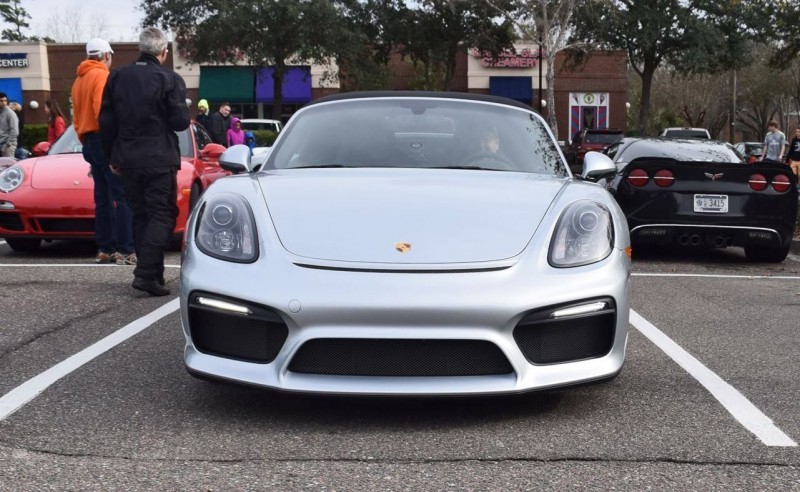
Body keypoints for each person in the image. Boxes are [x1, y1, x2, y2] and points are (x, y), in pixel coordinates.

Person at [100, 27, 190, 297]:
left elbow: (106, 122)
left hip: (127, 158)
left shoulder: (117, 77)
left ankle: (154, 275)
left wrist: (111, 156)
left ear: (140, 49)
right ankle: (145, 274)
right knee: (162, 215)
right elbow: (180, 121)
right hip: (159, 158)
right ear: (163, 52)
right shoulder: (169, 79)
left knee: (141, 216)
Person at [72, 37, 136, 265]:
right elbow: (104, 113)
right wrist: (115, 144)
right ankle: (126, 249)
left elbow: (77, 118)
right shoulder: (101, 76)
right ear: (106, 55)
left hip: (88, 140)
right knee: (122, 196)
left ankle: (105, 248)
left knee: (103, 198)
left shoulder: (79, 80)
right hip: (104, 139)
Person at [0, 92, 19, 158]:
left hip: (8, 146)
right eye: (1, 101)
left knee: (8, 166)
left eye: (5, 100)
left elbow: (15, 131)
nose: (3, 102)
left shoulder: (10, 113)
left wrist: (8, 144)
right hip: (1, 143)